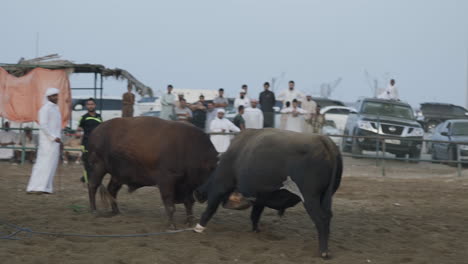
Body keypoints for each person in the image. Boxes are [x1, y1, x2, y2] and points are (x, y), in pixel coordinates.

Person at [26, 88, 62, 194]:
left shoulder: (56, 109)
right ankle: (35, 187)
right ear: (48, 97)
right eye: (54, 95)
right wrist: (53, 137)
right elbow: (43, 125)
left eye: (57, 95)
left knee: (52, 164)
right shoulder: (45, 109)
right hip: (47, 142)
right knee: (43, 164)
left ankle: (46, 187)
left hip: (55, 141)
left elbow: (56, 126)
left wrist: (59, 138)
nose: (56, 97)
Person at [78, 98, 103, 182]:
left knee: (97, 162)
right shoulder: (83, 118)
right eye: (88, 104)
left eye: (92, 104)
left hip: (97, 143)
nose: (90, 106)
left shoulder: (99, 116)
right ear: (86, 106)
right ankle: (87, 180)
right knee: (87, 162)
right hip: (86, 143)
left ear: (95, 105)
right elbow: (78, 130)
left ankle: (90, 177)